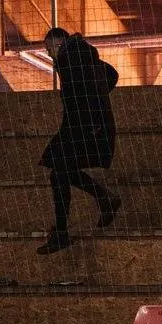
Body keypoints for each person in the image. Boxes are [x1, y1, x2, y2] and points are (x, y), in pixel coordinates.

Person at [37, 27, 122, 254]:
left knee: (58, 169)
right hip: (90, 127)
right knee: (59, 171)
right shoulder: (82, 56)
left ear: (57, 45)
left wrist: (94, 113)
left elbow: (91, 87)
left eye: (48, 50)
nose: (48, 55)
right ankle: (102, 200)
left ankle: (64, 231)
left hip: (85, 129)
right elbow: (111, 74)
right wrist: (100, 105)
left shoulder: (70, 60)